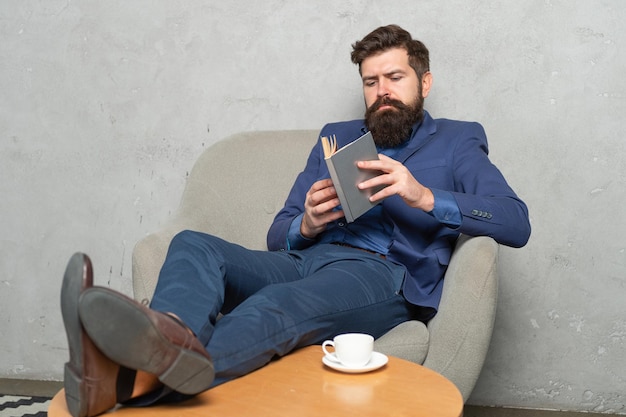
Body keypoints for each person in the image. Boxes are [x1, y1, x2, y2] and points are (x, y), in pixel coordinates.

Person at [60, 24, 531, 417]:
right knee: (193, 243)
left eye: (395, 77)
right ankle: (160, 342)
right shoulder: (337, 137)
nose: (382, 91)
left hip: (381, 275)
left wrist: (425, 196)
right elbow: (277, 233)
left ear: (424, 83)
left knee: (276, 305)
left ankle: (125, 381)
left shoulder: (457, 141)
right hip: (310, 257)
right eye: (371, 82)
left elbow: (516, 221)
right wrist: (306, 222)